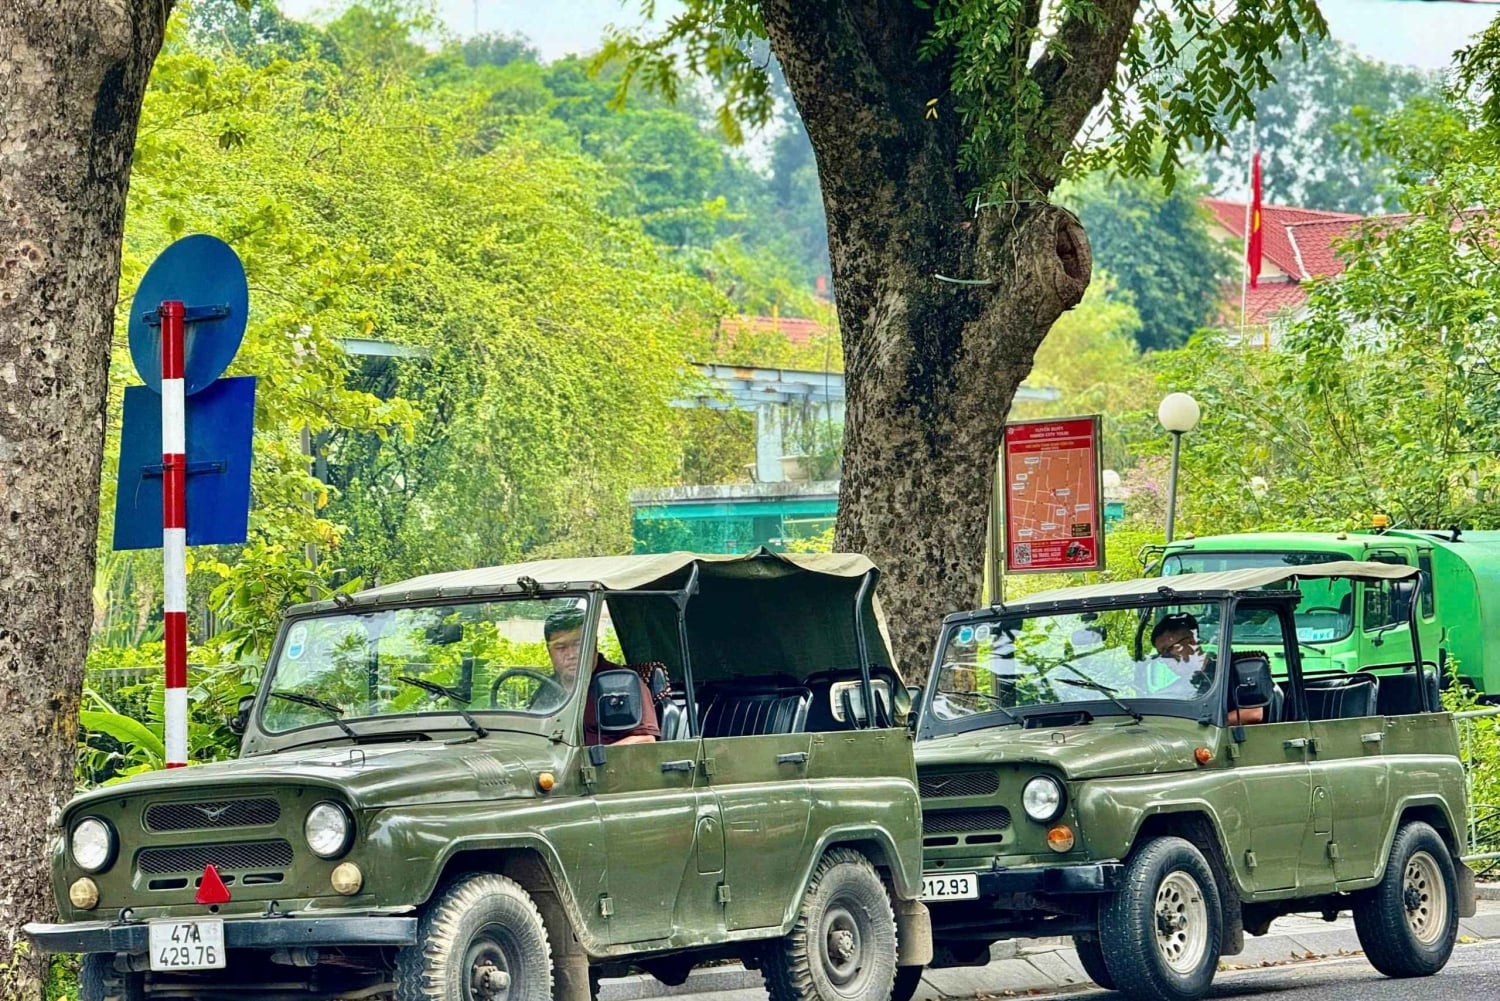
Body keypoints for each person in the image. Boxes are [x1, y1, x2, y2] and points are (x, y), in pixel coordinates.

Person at [544, 608, 660, 745]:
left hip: (609, 765)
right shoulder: (546, 689)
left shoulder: (623, 683)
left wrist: (590, 762)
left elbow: (645, 740)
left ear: (593, 644)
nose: (571, 655)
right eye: (561, 647)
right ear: (549, 651)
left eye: (578, 644)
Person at [1149, 612, 1263, 725]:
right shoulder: (1179, 687)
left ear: (1191, 642)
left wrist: (1200, 725)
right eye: (1161, 655)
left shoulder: (1232, 670)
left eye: (1168, 651)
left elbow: (1253, 713)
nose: (1165, 660)